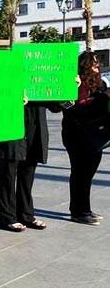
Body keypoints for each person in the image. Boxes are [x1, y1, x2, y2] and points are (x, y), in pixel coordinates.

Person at [0, 101, 61, 232]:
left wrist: (70, 89)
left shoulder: (42, 80)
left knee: (28, 173)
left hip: (35, 126)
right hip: (11, 123)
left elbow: (56, 106)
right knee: (8, 173)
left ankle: (26, 214)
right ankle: (7, 218)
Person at [62, 51, 108, 225]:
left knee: (88, 174)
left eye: (98, 65)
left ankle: (85, 208)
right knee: (80, 173)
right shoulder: (77, 83)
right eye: (94, 65)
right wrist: (103, 98)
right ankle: (78, 211)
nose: (97, 68)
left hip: (95, 133)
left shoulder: (98, 83)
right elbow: (77, 107)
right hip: (77, 134)